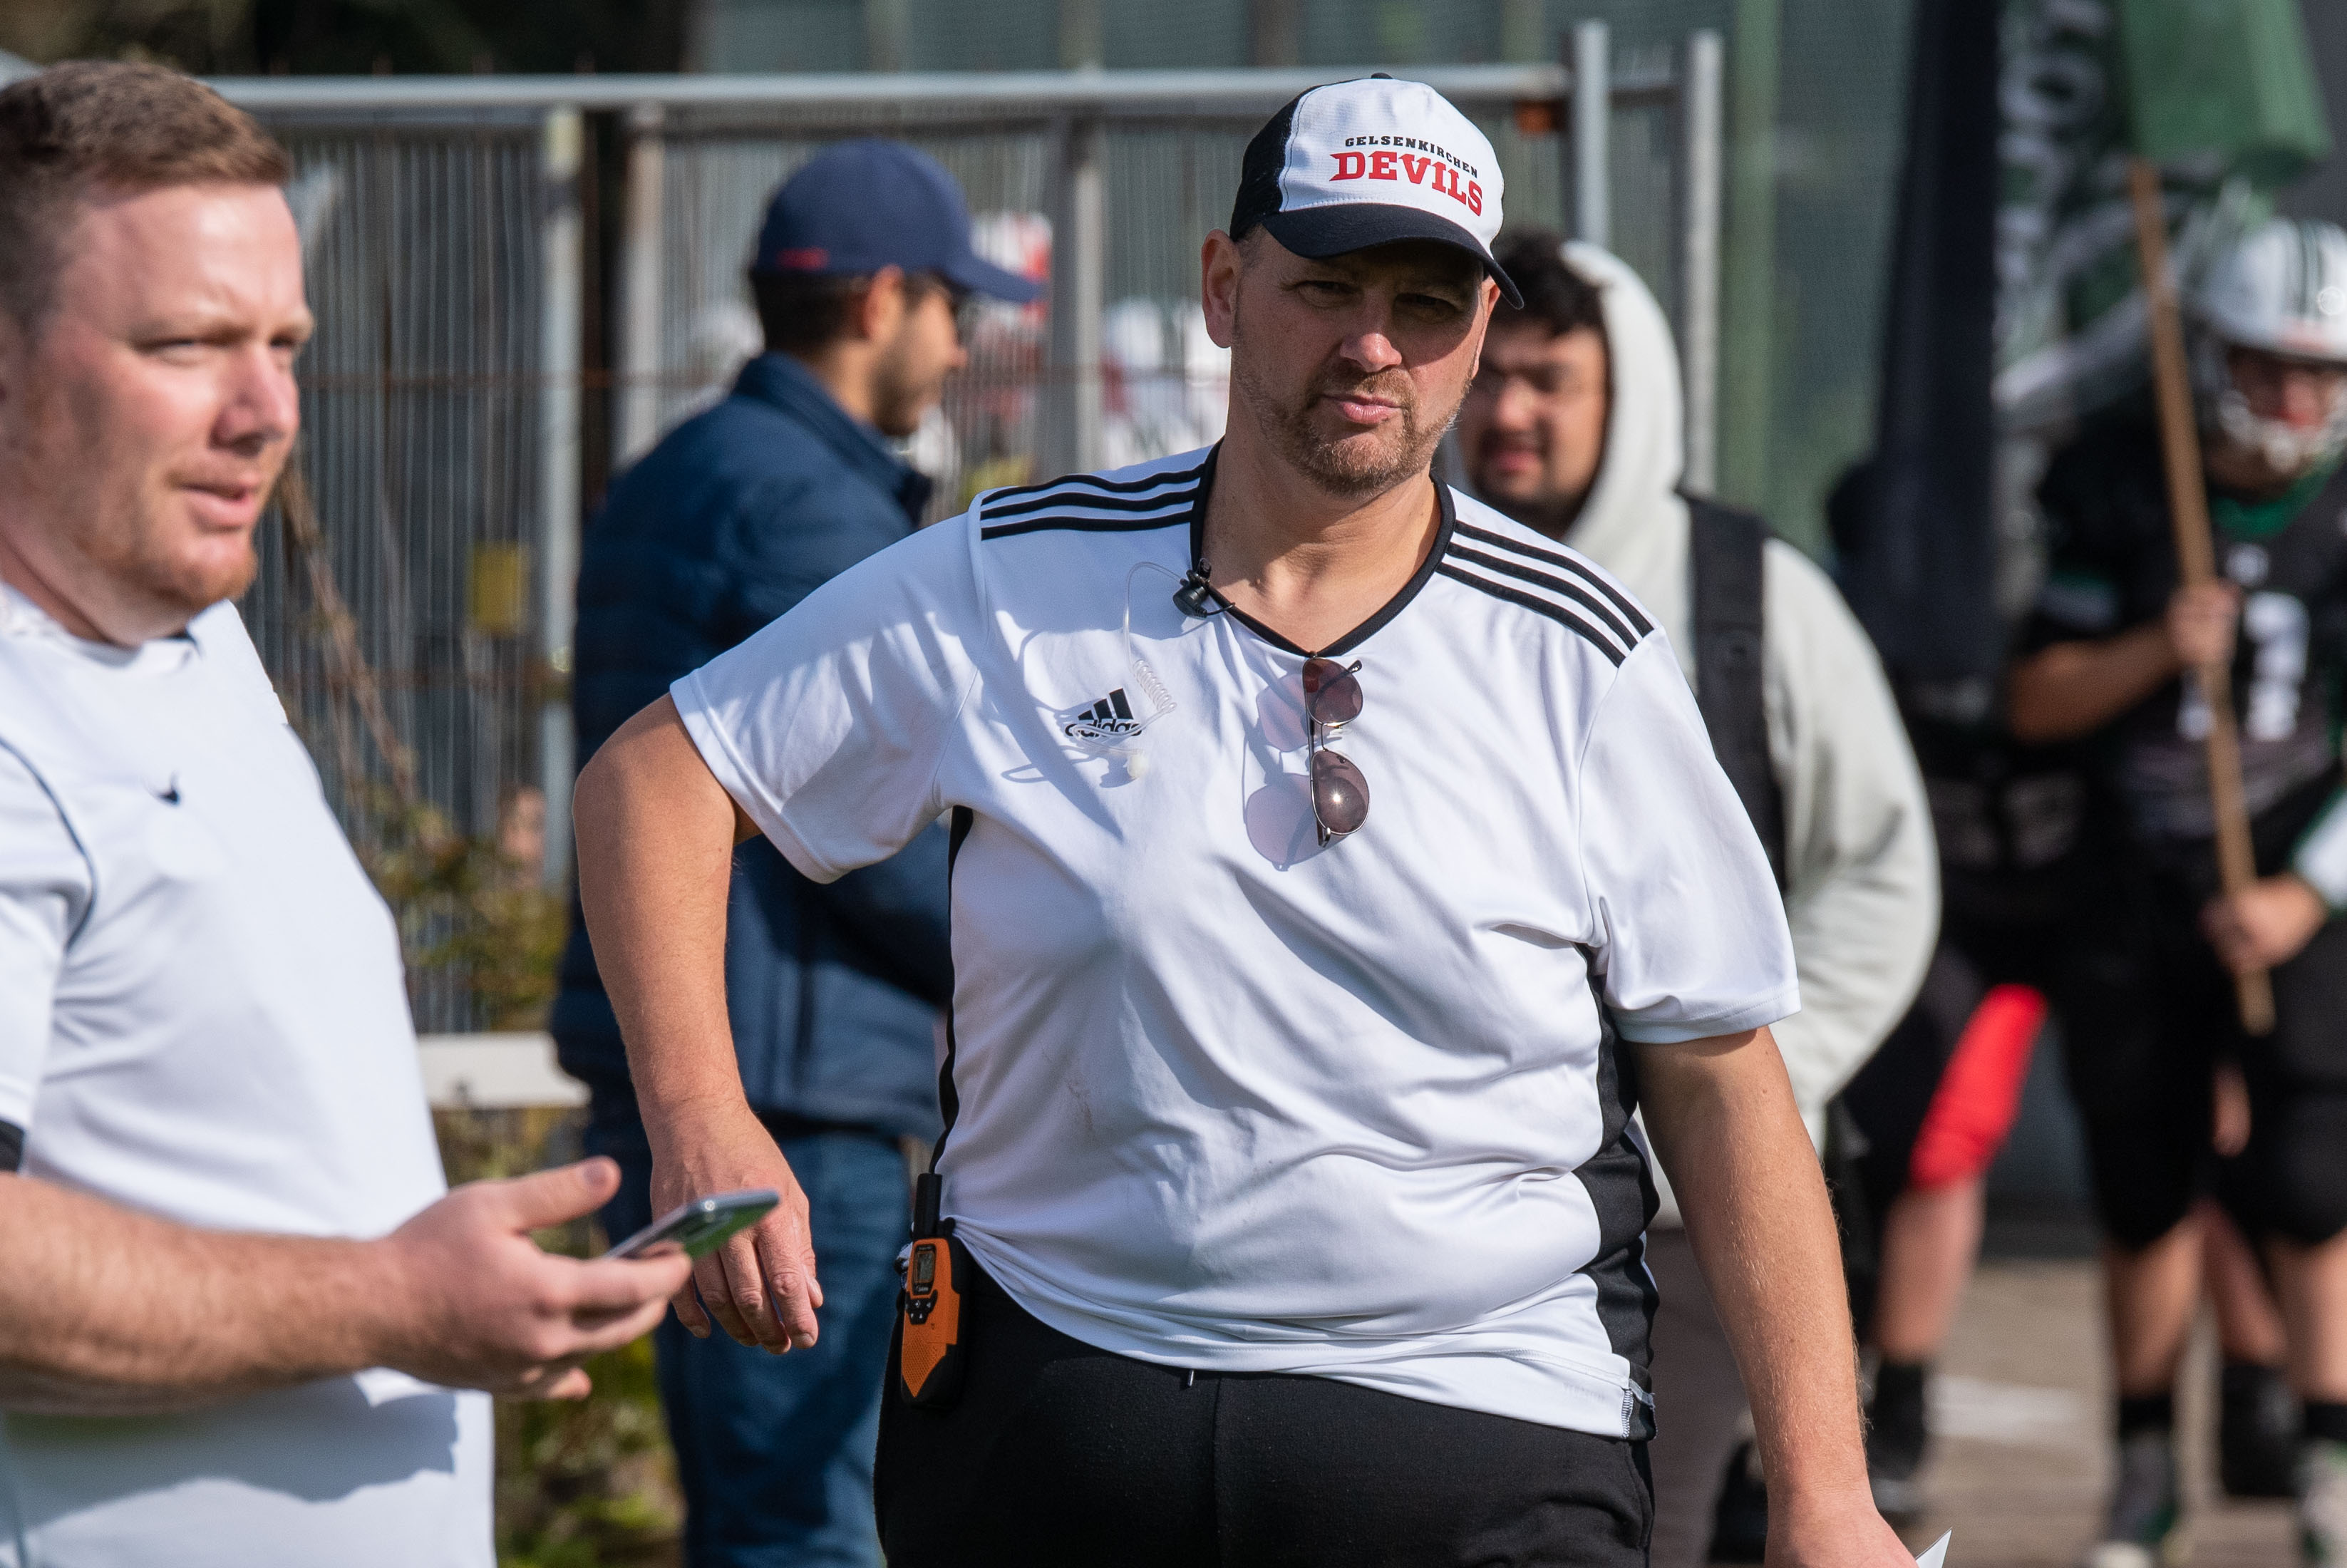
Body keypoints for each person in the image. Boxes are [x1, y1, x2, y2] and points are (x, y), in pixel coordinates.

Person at [572, 75, 1914, 1568]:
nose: (1372, 343)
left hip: (1482, 1426)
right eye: (1324, 285)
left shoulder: (1585, 655)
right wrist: (699, 1112)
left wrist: (1826, 1494)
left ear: (1476, 335)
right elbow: (656, 778)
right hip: (1058, 1408)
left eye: (1424, 301)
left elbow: (1726, 1078)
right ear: (1224, 287)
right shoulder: (1017, 576)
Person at [0, 61, 688, 1567]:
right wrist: (389, 1302)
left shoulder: (192, 635)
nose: (264, 412)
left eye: (285, 344)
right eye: (187, 344)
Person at [550, 138, 1039, 1566]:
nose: (963, 342)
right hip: (787, 1093)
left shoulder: (684, 467)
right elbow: (863, 827)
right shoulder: (807, 504)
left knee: (761, 1504)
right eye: (956, 305)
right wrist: (1032, 944)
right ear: (884, 300)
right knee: (812, 1519)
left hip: (725, 1064)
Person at [1454, 234, 1937, 1568]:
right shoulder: (1397, 596)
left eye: (1551, 379)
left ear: (1635, 394)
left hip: (1689, 1224)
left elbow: (1882, 870)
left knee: (1635, 1531)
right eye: (1488, 375)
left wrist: (1761, 1081)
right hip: (1466, 1228)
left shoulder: (1752, 598)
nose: (1510, 412)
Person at [2008, 215, 2347, 1568]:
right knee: (2141, 1185)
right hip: (2135, 874)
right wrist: (2160, 642)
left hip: (2296, 868)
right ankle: (2142, 1467)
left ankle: (2327, 1457)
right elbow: (2037, 699)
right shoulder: (2116, 480)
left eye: (2322, 376)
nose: (2299, 402)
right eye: (2271, 369)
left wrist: (2303, 896)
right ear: (2207, 357)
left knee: (2315, 1182)